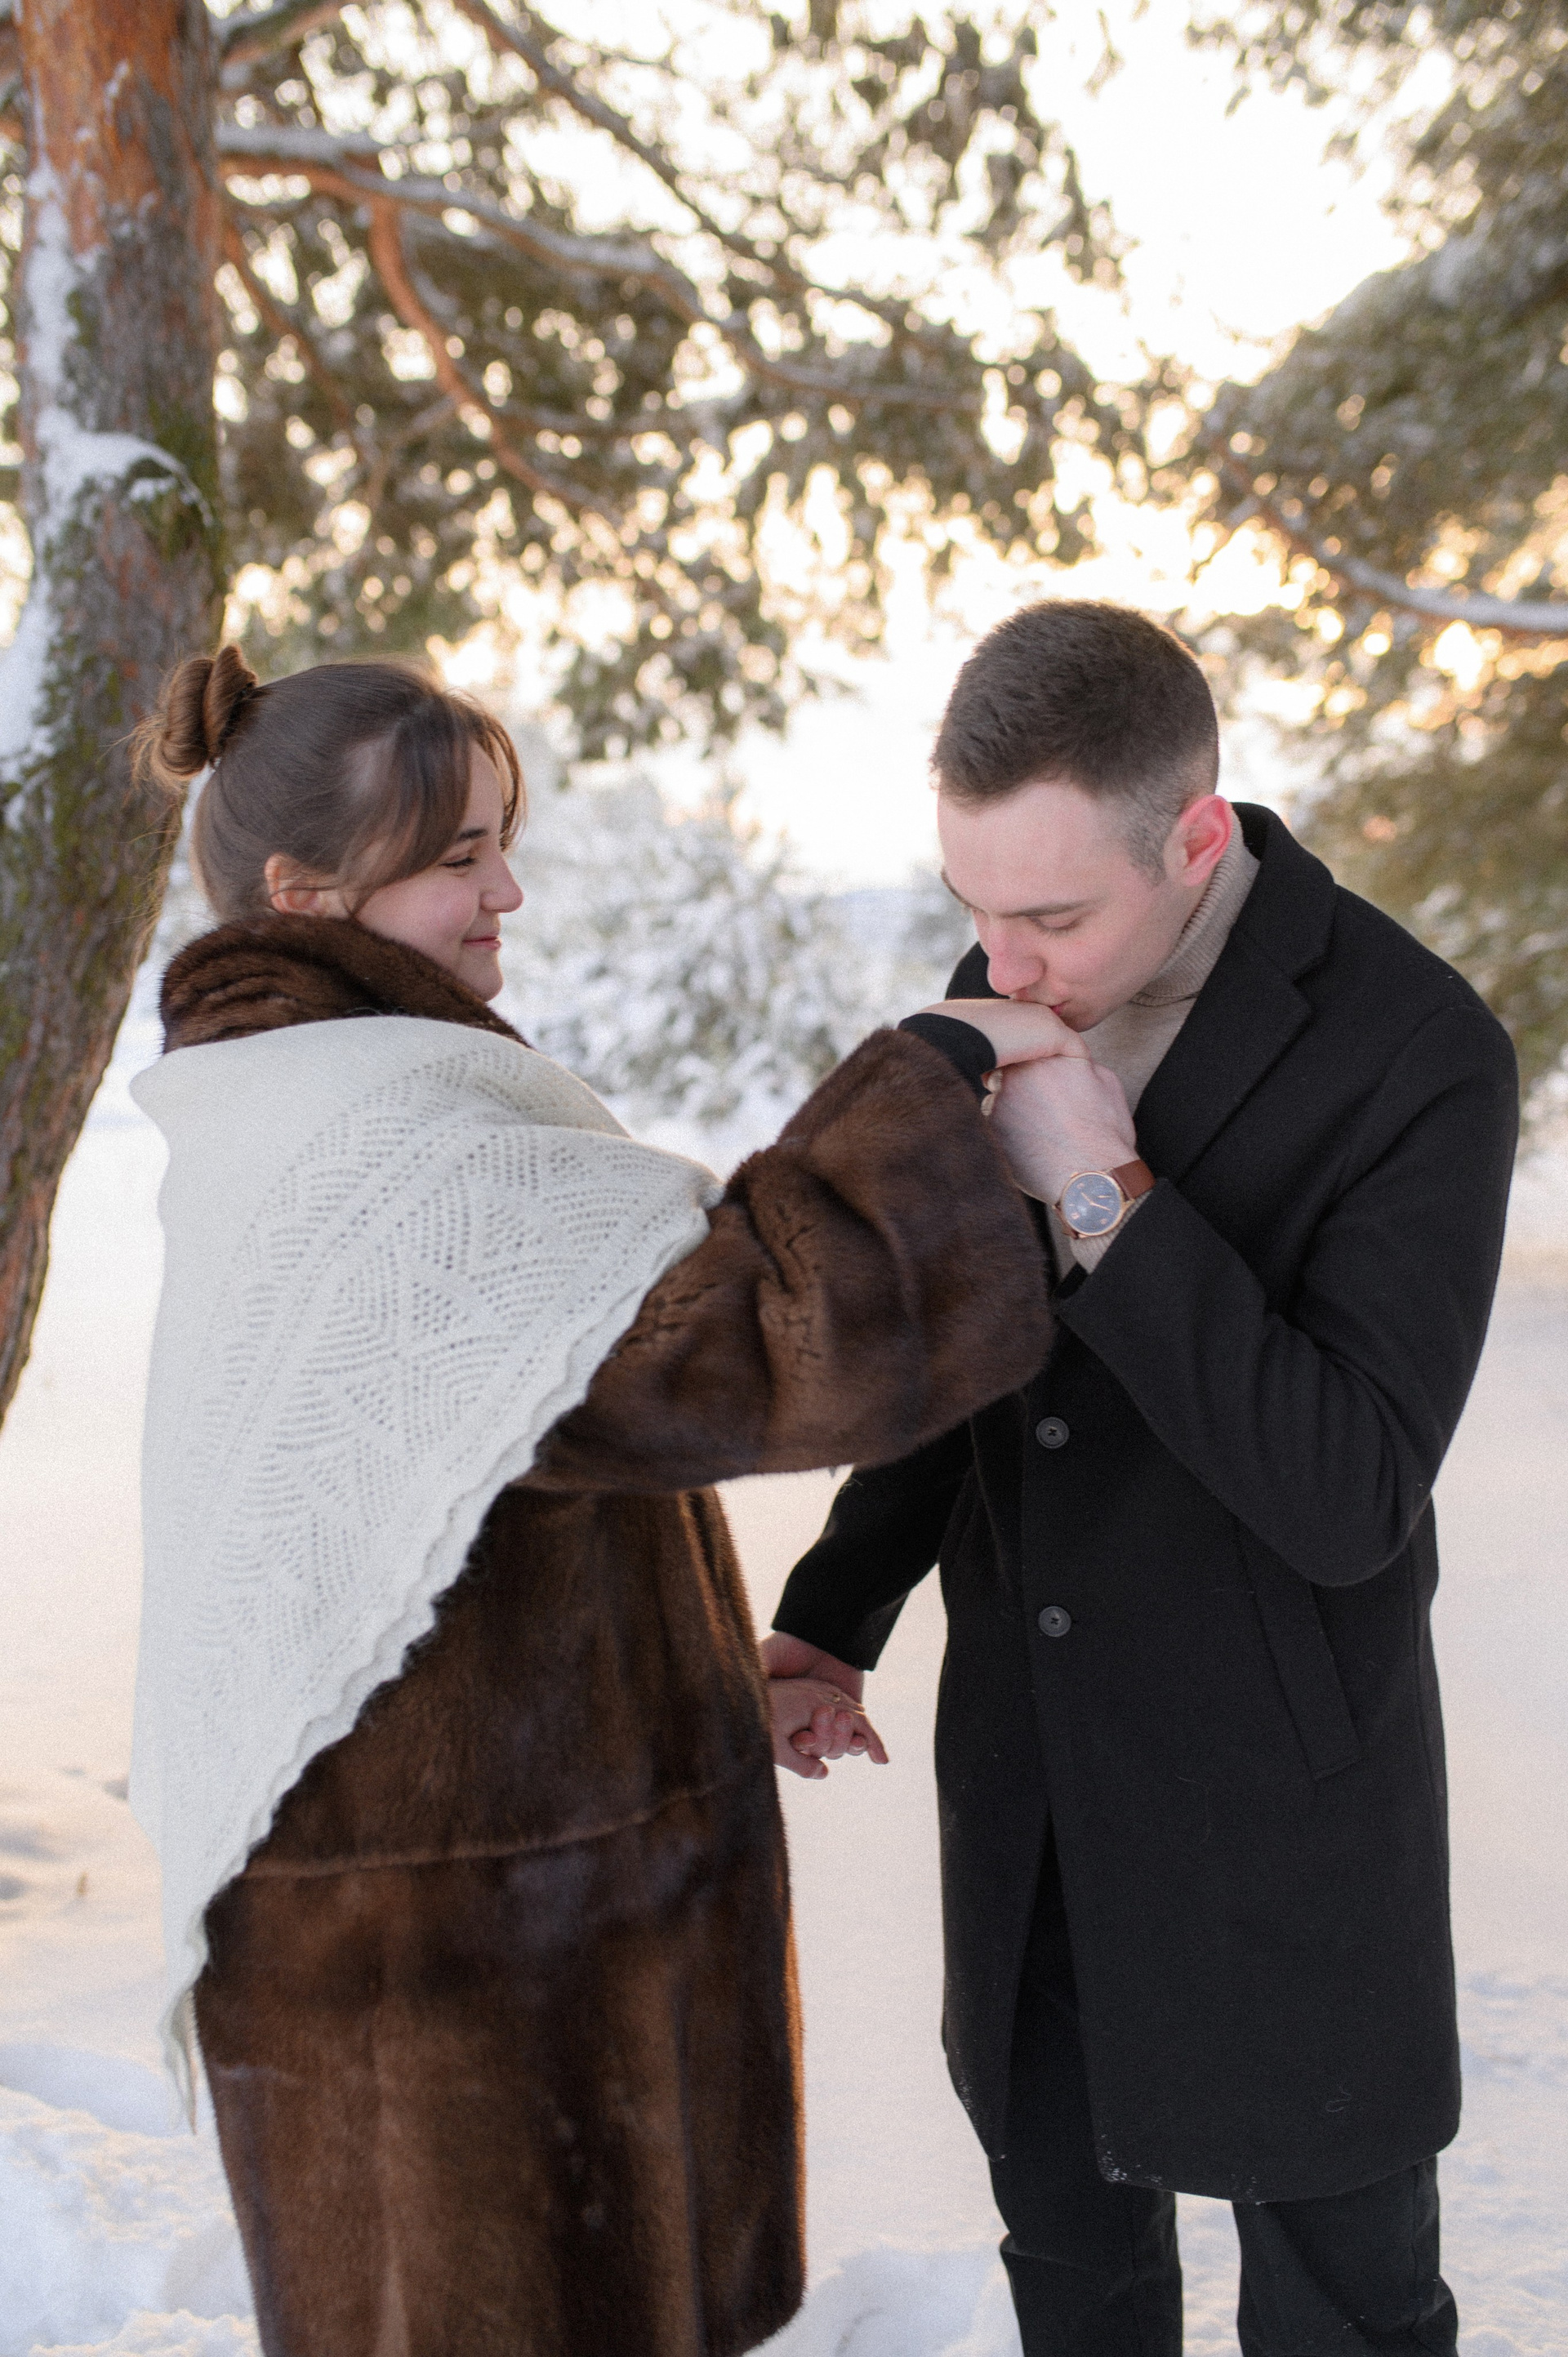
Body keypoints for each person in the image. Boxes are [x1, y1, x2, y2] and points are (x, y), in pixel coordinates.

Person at [126, 644, 1071, 2357]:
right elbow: (749, 1350)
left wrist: (692, 1675)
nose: (506, 891)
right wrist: (932, 1077)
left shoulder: (307, 1102)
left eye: (505, 841)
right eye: (458, 856)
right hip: (470, 1970)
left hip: (456, 1908)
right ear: (305, 892)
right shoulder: (383, 1143)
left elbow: (466, 1501)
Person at [764, 600, 1518, 2357]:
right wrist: (835, 1610)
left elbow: (1349, 1488)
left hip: (1283, 1806)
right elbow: (961, 1344)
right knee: (1079, 2289)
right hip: (1032, 1780)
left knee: (1346, 2320)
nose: (1002, 966)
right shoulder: (1005, 977)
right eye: (972, 908)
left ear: (1194, 839)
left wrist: (1107, 1199)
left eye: (1051, 918)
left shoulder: (1420, 1051)